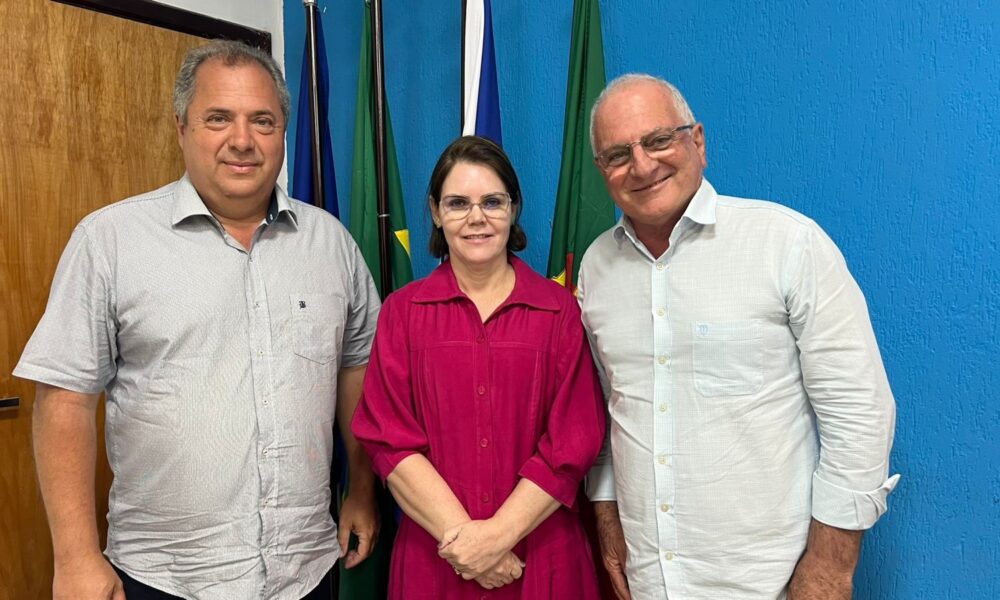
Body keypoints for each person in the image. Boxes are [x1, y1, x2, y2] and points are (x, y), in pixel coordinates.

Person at [14, 40, 381, 600]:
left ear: (284, 132)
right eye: (218, 118)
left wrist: (361, 491)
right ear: (181, 127)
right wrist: (75, 556)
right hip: (167, 577)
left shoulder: (330, 243)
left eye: (263, 121)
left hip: (305, 569)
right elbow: (64, 399)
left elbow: (355, 370)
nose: (242, 140)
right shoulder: (109, 241)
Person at [579, 73, 900, 600]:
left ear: (697, 141)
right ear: (601, 171)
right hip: (650, 580)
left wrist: (830, 565)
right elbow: (612, 409)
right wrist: (608, 518)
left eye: (658, 140)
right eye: (618, 154)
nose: (642, 165)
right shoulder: (597, 268)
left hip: (773, 581)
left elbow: (859, 411)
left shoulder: (787, 245)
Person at [351, 136, 606, 599]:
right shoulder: (402, 313)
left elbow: (574, 440)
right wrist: (469, 546)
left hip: (541, 560)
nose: (476, 218)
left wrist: (495, 538)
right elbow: (389, 439)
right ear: (435, 212)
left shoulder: (558, 312)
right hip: (436, 562)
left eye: (492, 202)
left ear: (514, 207)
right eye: (458, 203)